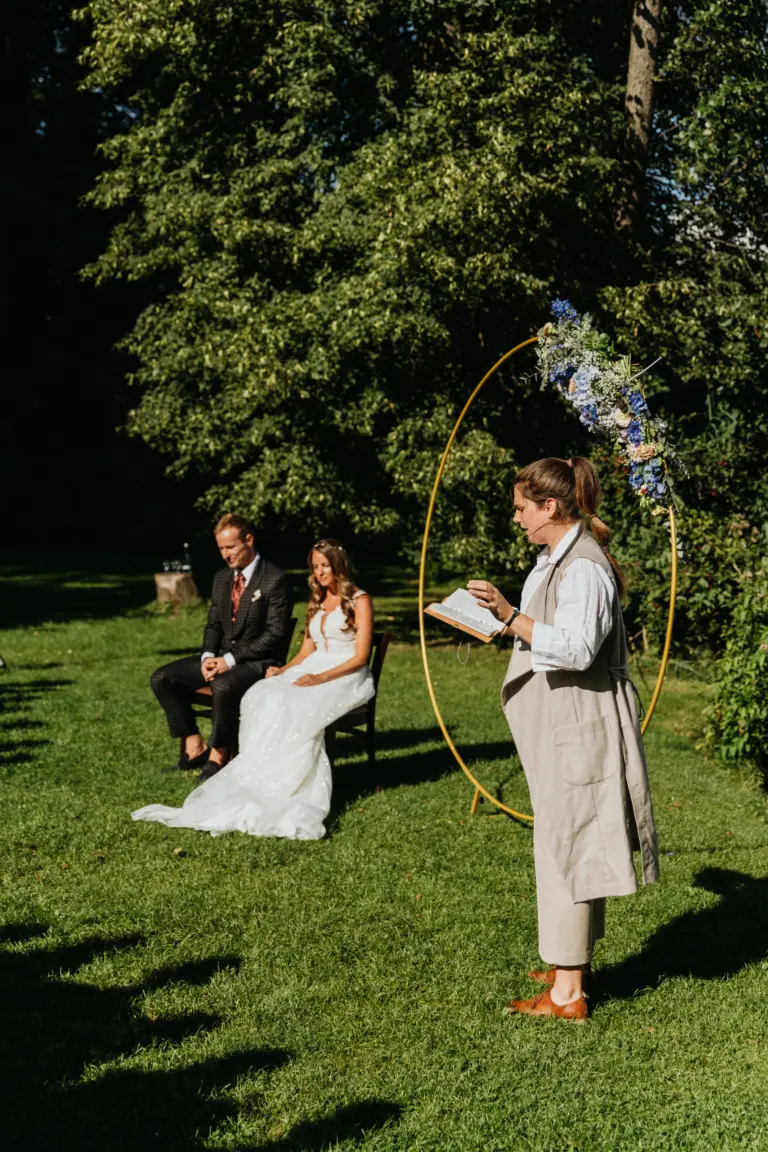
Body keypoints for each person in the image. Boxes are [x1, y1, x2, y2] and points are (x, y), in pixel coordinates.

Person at [468, 456, 659, 1021]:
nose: (518, 519)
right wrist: (501, 619)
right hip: (562, 716)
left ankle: (567, 993)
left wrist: (509, 616)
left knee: (570, 842)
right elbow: (545, 626)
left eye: (522, 509)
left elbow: (576, 648)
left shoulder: (584, 568)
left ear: (550, 507)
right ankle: (568, 962)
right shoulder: (554, 557)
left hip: (582, 719)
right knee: (563, 837)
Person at [132, 538, 374, 840]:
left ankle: (291, 782)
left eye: (325, 565)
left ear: (338, 565)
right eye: (315, 566)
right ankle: (257, 774)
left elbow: (361, 656)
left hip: (345, 674)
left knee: (296, 703)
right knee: (263, 694)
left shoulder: (360, 600)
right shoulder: (317, 600)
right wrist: (283, 670)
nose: (320, 572)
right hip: (311, 668)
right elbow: (305, 652)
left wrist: (320, 678)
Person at [148, 513, 292, 774]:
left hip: (259, 662)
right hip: (221, 658)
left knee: (223, 685)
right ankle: (194, 745)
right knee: (162, 678)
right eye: (221, 549)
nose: (226, 555)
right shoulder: (222, 578)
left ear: (249, 540)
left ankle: (220, 754)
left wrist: (229, 661)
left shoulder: (275, 579)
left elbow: (275, 635)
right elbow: (213, 624)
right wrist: (207, 657)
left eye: (230, 547)